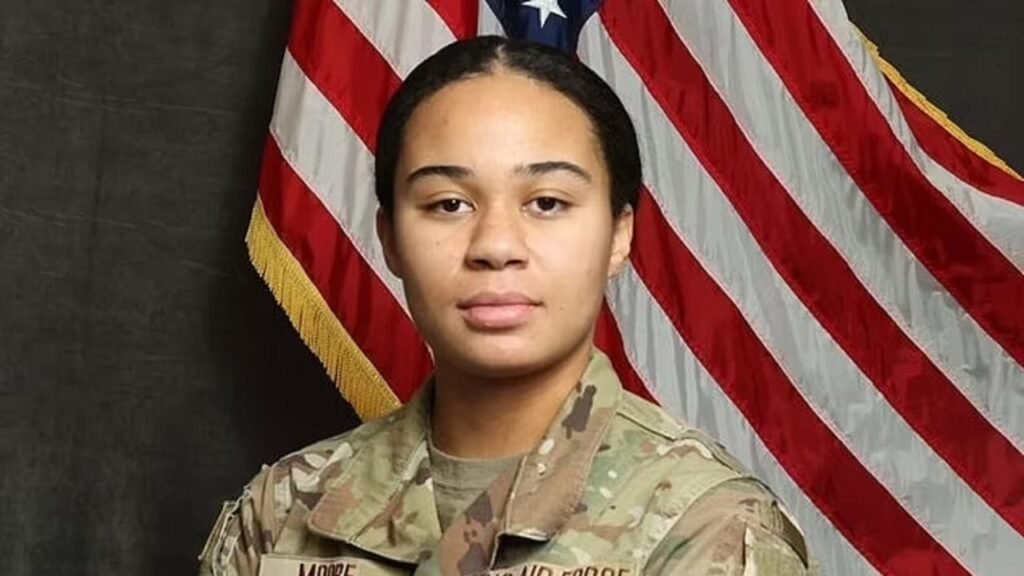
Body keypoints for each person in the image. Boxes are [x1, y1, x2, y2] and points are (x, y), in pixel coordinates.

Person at [199, 36, 814, 576]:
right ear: (389, 239)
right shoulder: (282, 511)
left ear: (619, 235)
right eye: (448, 204)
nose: (495, 246)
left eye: (546, 203)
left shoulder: (706, 522)